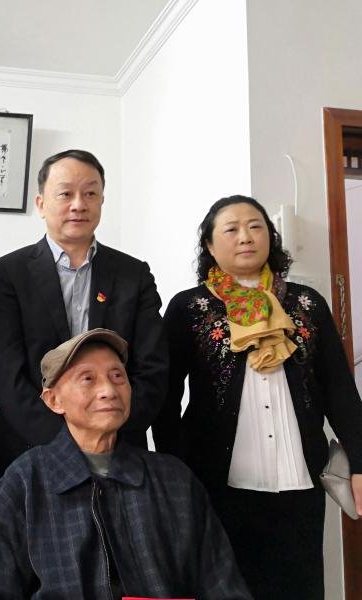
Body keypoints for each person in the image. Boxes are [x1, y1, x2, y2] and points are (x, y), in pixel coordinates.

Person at [153, 195, 362, 599]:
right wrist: (175, 472)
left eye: (255, 226)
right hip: (218, 487)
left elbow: (339, 391)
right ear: (210, 245)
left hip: (299, 484)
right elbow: (165, 400)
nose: (246, 237)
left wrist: (360, 463)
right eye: (231, 229)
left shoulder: (306, 303)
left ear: (270, 237)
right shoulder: (189, 308)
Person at [0, 328, 250, 599]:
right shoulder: (23, 485)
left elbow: (223, 587)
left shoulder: (175, 482)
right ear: (53, 400)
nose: (109, 390)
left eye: (117, 376)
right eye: (88, 378)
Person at [0, 149, 167, 496]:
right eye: (65, 193)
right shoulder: (10, 272)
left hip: (119, 451)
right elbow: (3, 371)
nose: (79, 204)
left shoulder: (133, 274)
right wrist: (66, 442)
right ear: (41, 203)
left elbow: (153, 369)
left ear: (102, 201)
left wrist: (108, 433)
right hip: (28, 448)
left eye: (90, 193)